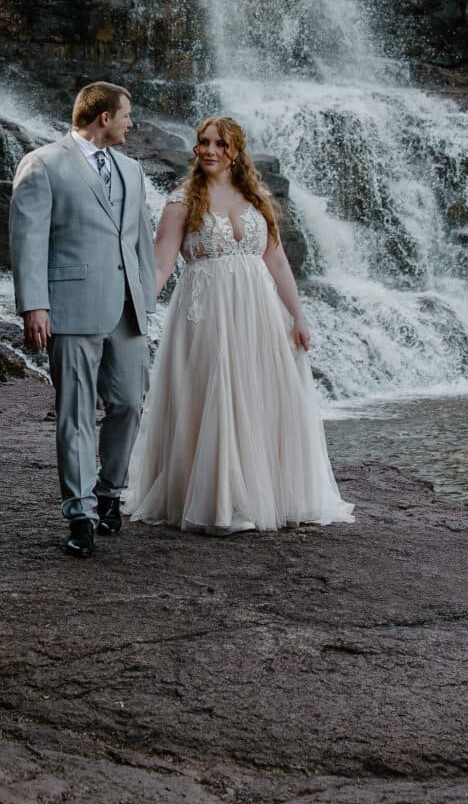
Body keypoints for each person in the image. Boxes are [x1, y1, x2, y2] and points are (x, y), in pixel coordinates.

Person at [127, 116, 352, 534]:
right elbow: (160, 266)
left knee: (256, 395)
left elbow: (277, 261)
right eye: (203, 143)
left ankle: (267, 493)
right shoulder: (181, 202)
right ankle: (218, 502)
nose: (209, 150)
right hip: (204, 312)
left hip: (257, 313)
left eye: (219, 144)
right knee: (215, 393)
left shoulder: (257, 199)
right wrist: (136, 312)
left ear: (235, 152)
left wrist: (298, 316)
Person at [8, 81, 154, 558]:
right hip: (70, 308)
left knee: (130, 403)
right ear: (104, 117)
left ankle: (111, 491)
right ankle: (80, 512)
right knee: (75, 414)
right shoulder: (44, 164)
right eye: (127, 114)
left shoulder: (132, 171)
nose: (132, 123)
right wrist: (34, 305)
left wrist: (147, 301)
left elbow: (140, 244)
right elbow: (28, 239)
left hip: (127, 309)